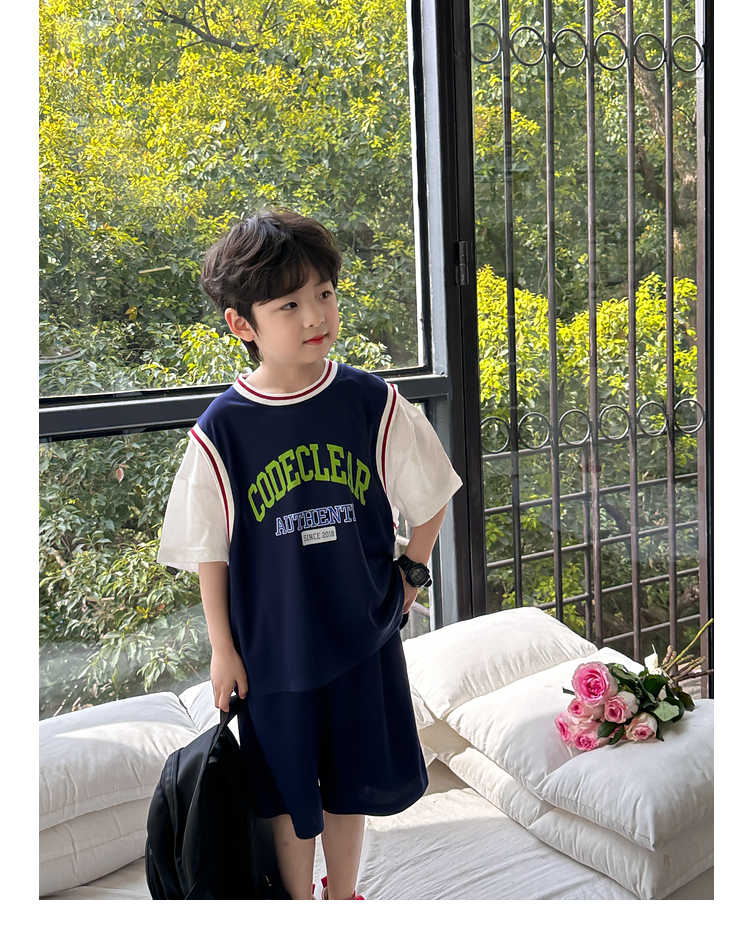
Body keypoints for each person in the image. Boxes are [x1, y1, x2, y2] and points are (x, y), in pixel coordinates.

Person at [157, 208, 462, 900]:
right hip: (275, 649)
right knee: (286, 789)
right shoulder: (223, 429)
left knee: (348, 781)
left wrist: (411, 574)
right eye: (288, 304)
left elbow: (433, 493)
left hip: (361, 633)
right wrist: (223, 650)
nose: (315, 315)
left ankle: (343, 895)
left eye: (323, 293)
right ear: (242, 324)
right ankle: (299, 906)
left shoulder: (369, 400)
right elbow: (210, 552)